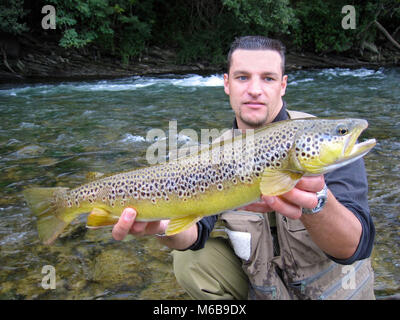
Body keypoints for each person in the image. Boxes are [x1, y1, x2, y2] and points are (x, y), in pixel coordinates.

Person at [108, 36, 375, 300]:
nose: (255, 89)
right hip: (267, 290)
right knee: (189, 261)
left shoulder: (320, 143)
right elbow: (195, 233)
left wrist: (317, 203)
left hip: (335, 294)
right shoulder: (213, 155)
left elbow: (354, 247)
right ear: (227, 84)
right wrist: (160, 226)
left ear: (283, 85)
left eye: (268, 78)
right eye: (243, 77)